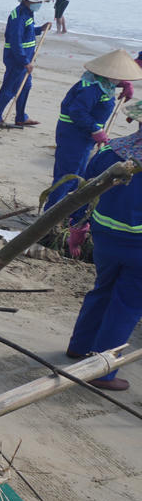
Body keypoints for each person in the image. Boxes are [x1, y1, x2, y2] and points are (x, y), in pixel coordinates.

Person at [64, 99, 142, 391]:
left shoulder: (111, 151)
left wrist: (77, 227)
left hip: (106, 237)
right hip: (138, 246)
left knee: (102, 290)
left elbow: (82, 191)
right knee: (127, 306)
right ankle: (102, 371)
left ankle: (78, 347)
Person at [46, 50, 140, 211]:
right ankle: (50, 213)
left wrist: (124, 85)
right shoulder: (91, 88)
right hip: (73, 134)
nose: (120, 79)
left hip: (85, 136)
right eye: (119, 76)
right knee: (67, 175)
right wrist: (96, 129)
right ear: (107, 73)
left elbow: (112, 82)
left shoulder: (105, 82)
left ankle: (66, 210)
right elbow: (77, 111)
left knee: (80, 174)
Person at [0, 0, 51, 128]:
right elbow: (16, 40)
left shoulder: (28, 13)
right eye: (37, 2)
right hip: (17, 59)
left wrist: (40, 29)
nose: (39, 4)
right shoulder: (18, 15)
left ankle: (21, 117)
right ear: (28, 0)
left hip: (25, 59)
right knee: (10, 88)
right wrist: (24, 61)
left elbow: (28, 31)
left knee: (25, 87)